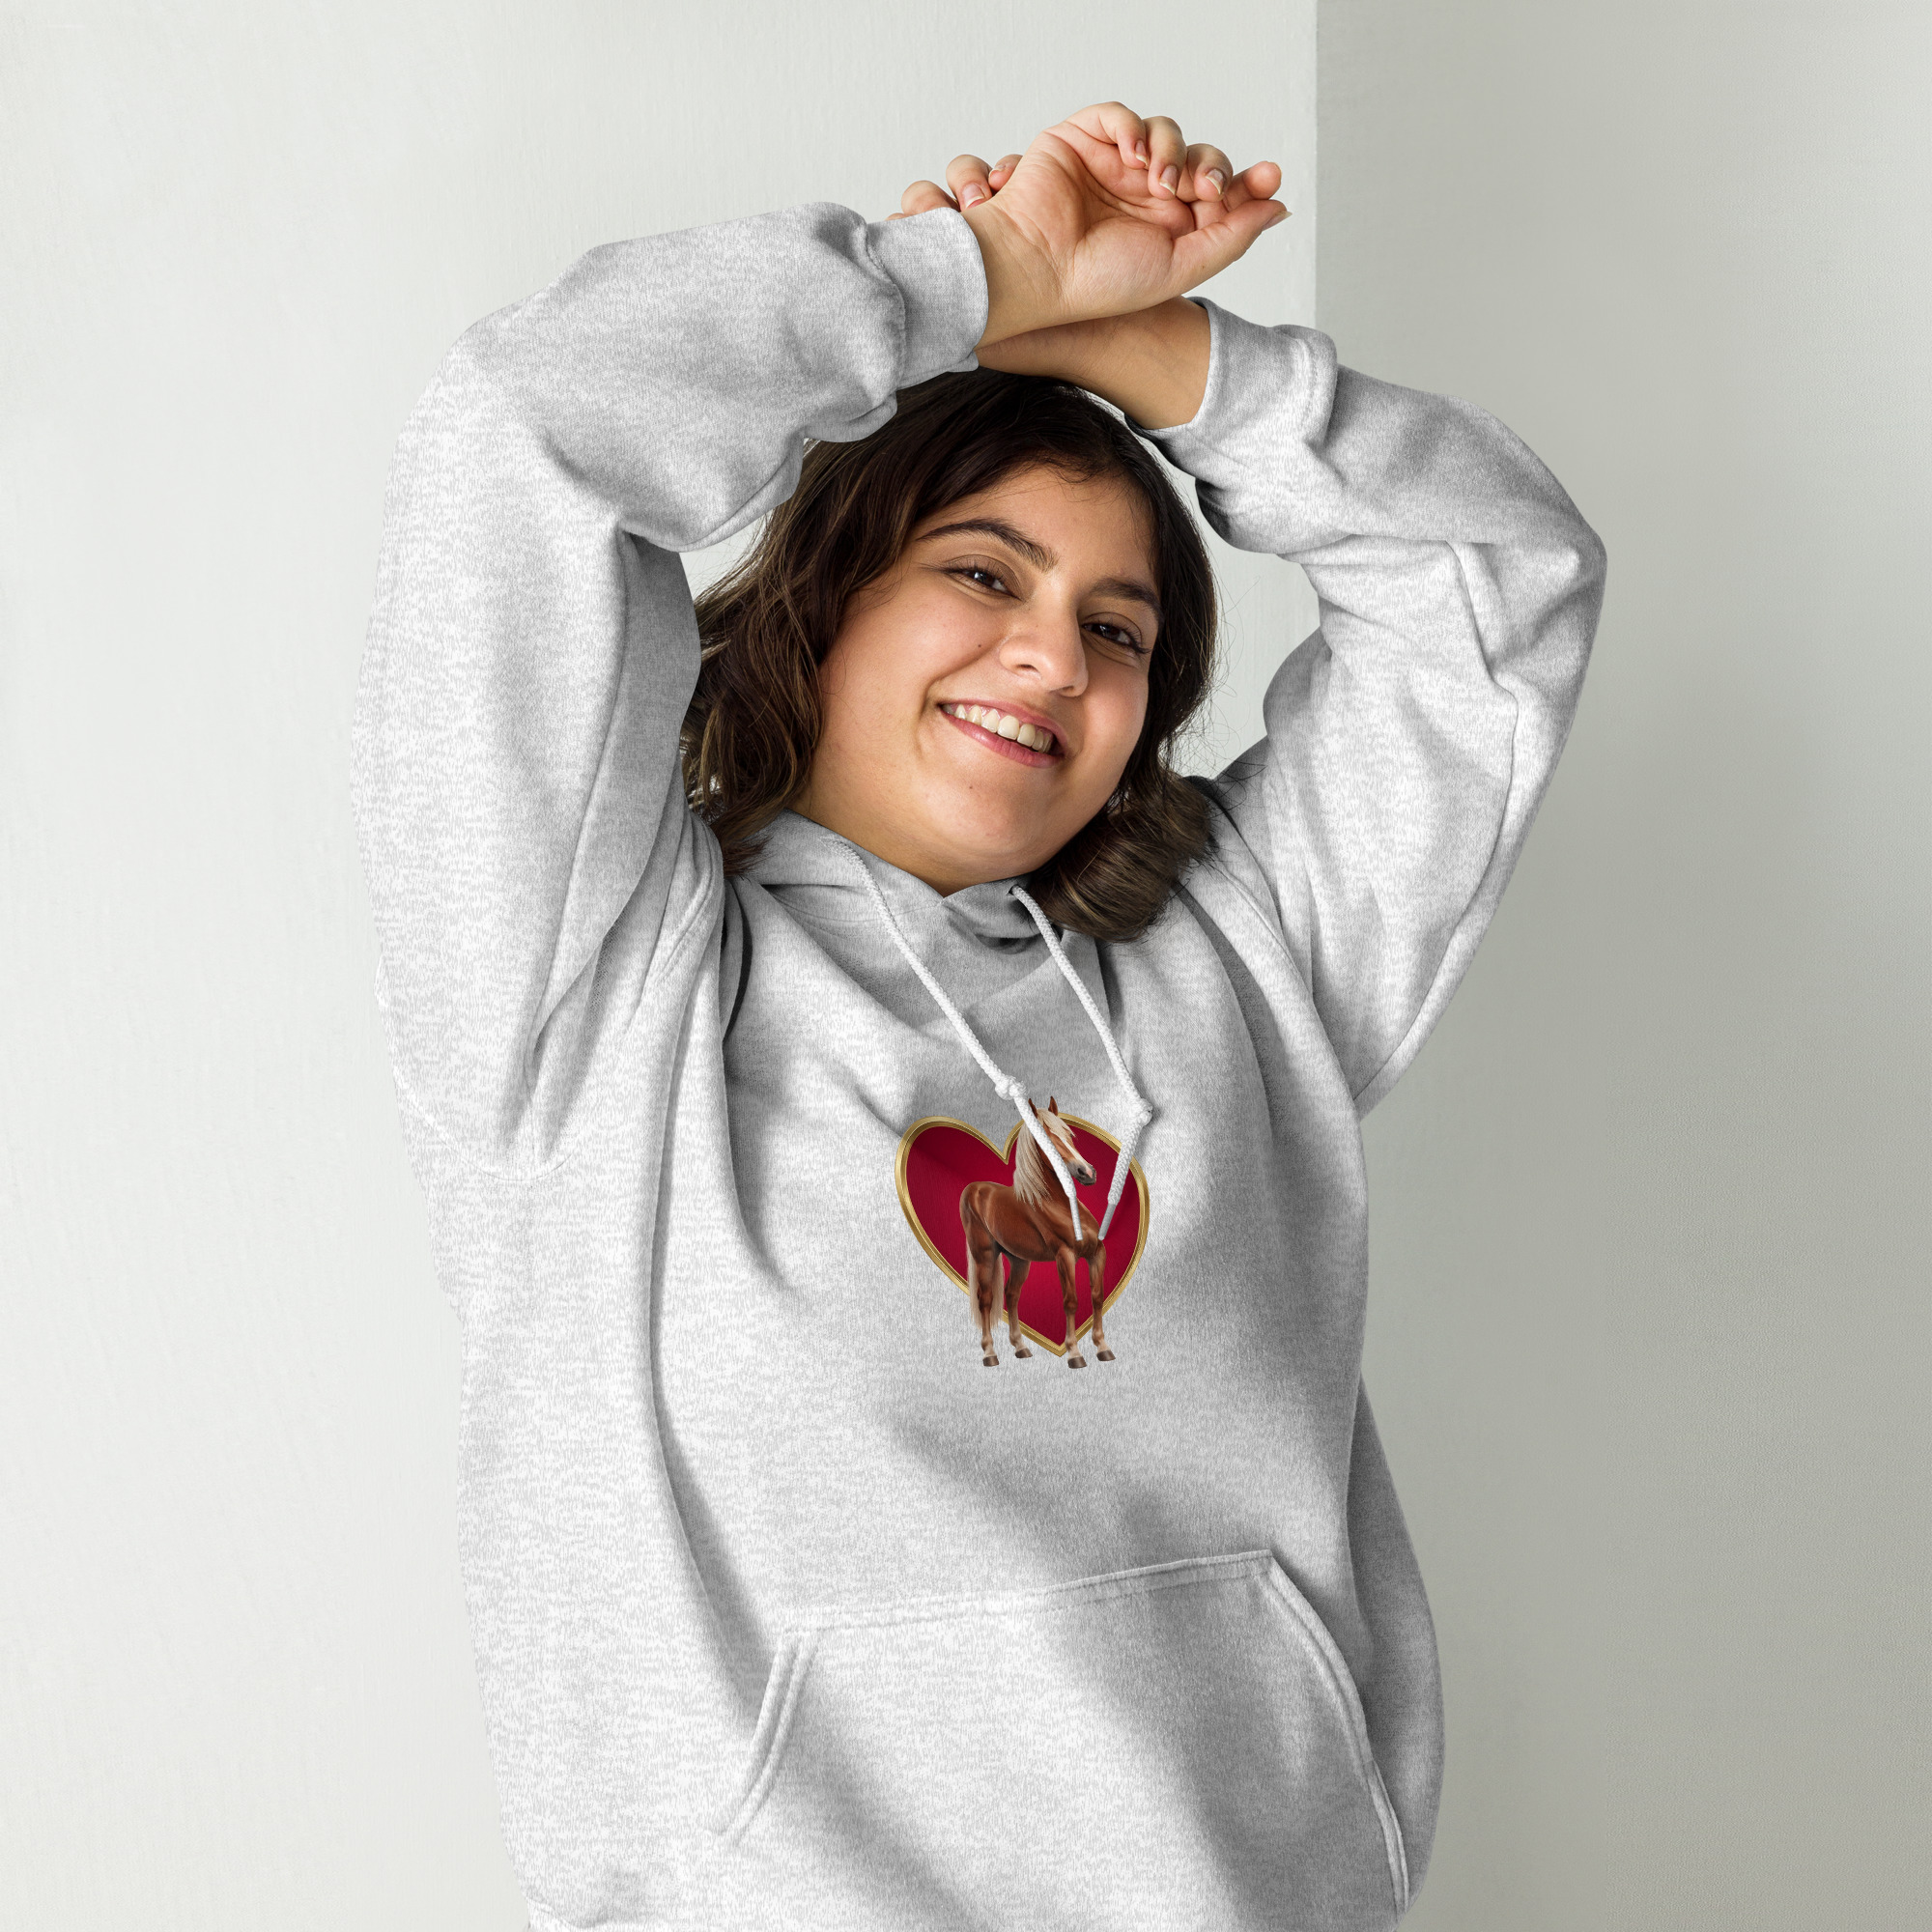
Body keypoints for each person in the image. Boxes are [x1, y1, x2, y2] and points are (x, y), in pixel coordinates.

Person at [351, 100, 1605, 1932]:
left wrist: (1158, 357)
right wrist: (972, 282)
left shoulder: (1246, 961)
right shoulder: (595, 997)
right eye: (983, 572)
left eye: (1121, 628)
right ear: (828, 601)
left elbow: (1498, 579)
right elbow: (527, 428)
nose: (1053, 656)